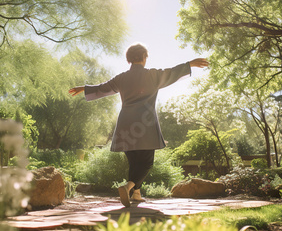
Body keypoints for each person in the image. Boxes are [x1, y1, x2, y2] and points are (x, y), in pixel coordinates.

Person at [69, 43, 209, 207]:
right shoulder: (152, 75)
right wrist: (190, 64)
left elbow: (103, 88)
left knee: (134, 161)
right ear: (144, 58)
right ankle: (128, 187)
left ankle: (136, 194)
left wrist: (84, 89)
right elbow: (171, 73)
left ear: (129, 59)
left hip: (125, 123)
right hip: (145, 124)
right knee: (147, 162)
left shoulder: (121, 78)